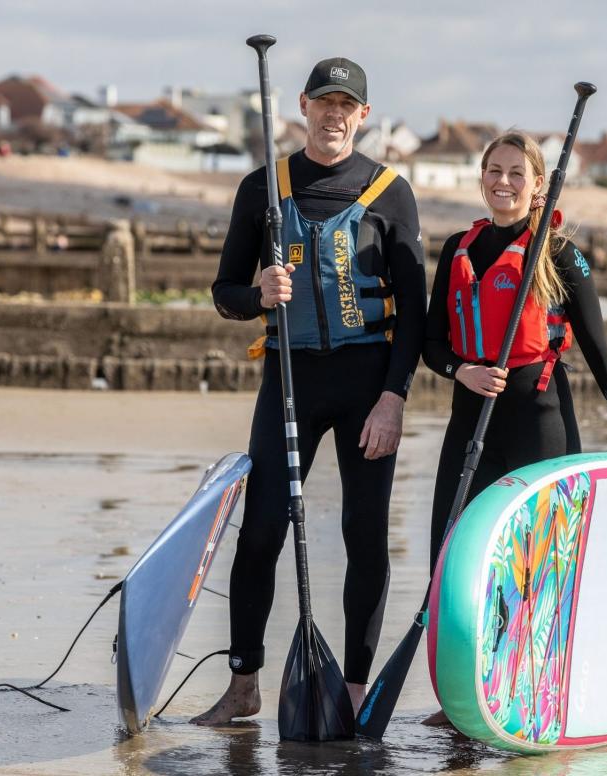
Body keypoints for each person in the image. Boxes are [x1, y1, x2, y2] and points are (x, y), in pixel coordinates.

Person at [193, 56, 427, 725]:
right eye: (322, 102)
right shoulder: (263, 188)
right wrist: (257, 293)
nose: (333, 115)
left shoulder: (390, 192)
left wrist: (394, 397)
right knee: (261, 532)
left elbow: (414, 310)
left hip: (365, 387)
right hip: (289, 380)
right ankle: (243, 685)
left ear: (363, 115)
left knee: (364, 535)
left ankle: (351, 692)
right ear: (302, 105)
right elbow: (224, 292)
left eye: (345, 105)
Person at [424, 131, 607, 575]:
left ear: (538, 185)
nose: (504, 181)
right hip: (470, 422)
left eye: (517, 173)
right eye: (495, 170)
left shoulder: (559, 255)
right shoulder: (457, 248)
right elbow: (431, 344)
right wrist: (461, 371)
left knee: (540, 565)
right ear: (481, 178)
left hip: (539, 423)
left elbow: (597, 348)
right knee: (449, 554)